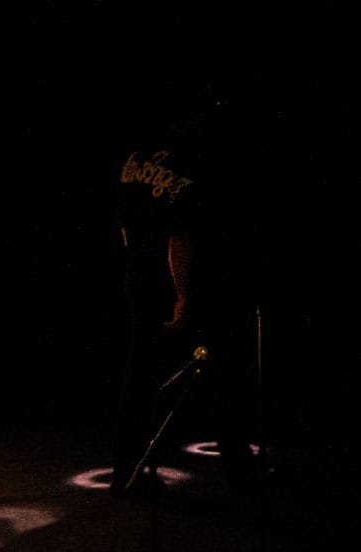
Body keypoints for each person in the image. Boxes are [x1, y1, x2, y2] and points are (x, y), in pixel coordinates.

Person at [113, 96, 258, 493]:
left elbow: (125, 225)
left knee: (139, 378)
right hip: (173, 285)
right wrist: (184, 297)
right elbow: (181, 237)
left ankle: (126, 471)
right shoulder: (190, 161)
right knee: (219, 372)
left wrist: (137, 271)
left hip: (139, 281)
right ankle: (239, 470)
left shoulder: (133, 160)